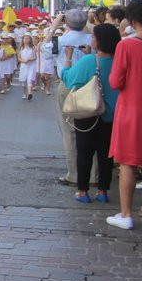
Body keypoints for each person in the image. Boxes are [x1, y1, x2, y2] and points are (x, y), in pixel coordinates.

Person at [62, 24, 120, 206]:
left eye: (93, 37)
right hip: (112, 115)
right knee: (106, 154)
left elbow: (69, 78)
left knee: (85, 153)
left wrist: (68, 60)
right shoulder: (120, 61)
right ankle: (103, 191)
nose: (90, 39)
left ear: (100, 40)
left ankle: (83, 191)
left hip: (89, 113)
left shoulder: (89, 62)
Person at [105, 0, 142, 230]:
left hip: (132, 110)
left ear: (133, 20)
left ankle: (125, 214)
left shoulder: (127, 45)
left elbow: (115, 81)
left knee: (128, 164)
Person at [54, 10, 93, 187]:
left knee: (69, 130)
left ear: (66, 22)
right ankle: (93, 175)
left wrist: (55, 25)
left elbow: (45, 49)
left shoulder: (60, 40)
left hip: (68, 83)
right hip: (91, 84)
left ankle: (74, 173)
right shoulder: (92, 39)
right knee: (92, 129)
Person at [17, 34, 38, 101]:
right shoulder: (20, 48)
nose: (26, 40)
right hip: (23, 66)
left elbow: (35, 57)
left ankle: (29, 93)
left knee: (29, 79)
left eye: (27, 38)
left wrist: (29, 59)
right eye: (25, 38)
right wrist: (23, 61)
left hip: (31, 66)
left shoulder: (33, 48)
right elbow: (19, 58)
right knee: (23, 81)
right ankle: (24, 93)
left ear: (30, 40)